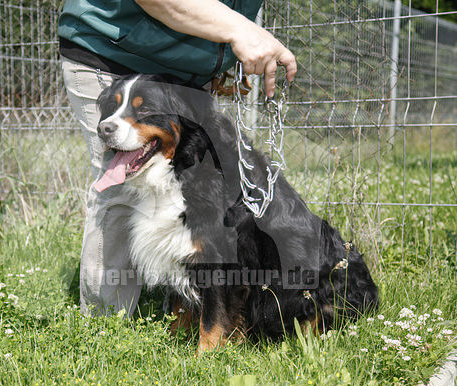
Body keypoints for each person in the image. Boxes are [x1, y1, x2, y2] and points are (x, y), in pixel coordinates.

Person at [58, 0, 297, 316]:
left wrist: (213, 61)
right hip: (112, 55)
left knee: (193, 197)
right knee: (119, 193)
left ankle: (201, 310)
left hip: (186, 78)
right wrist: (239, 29)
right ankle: (106, 328)